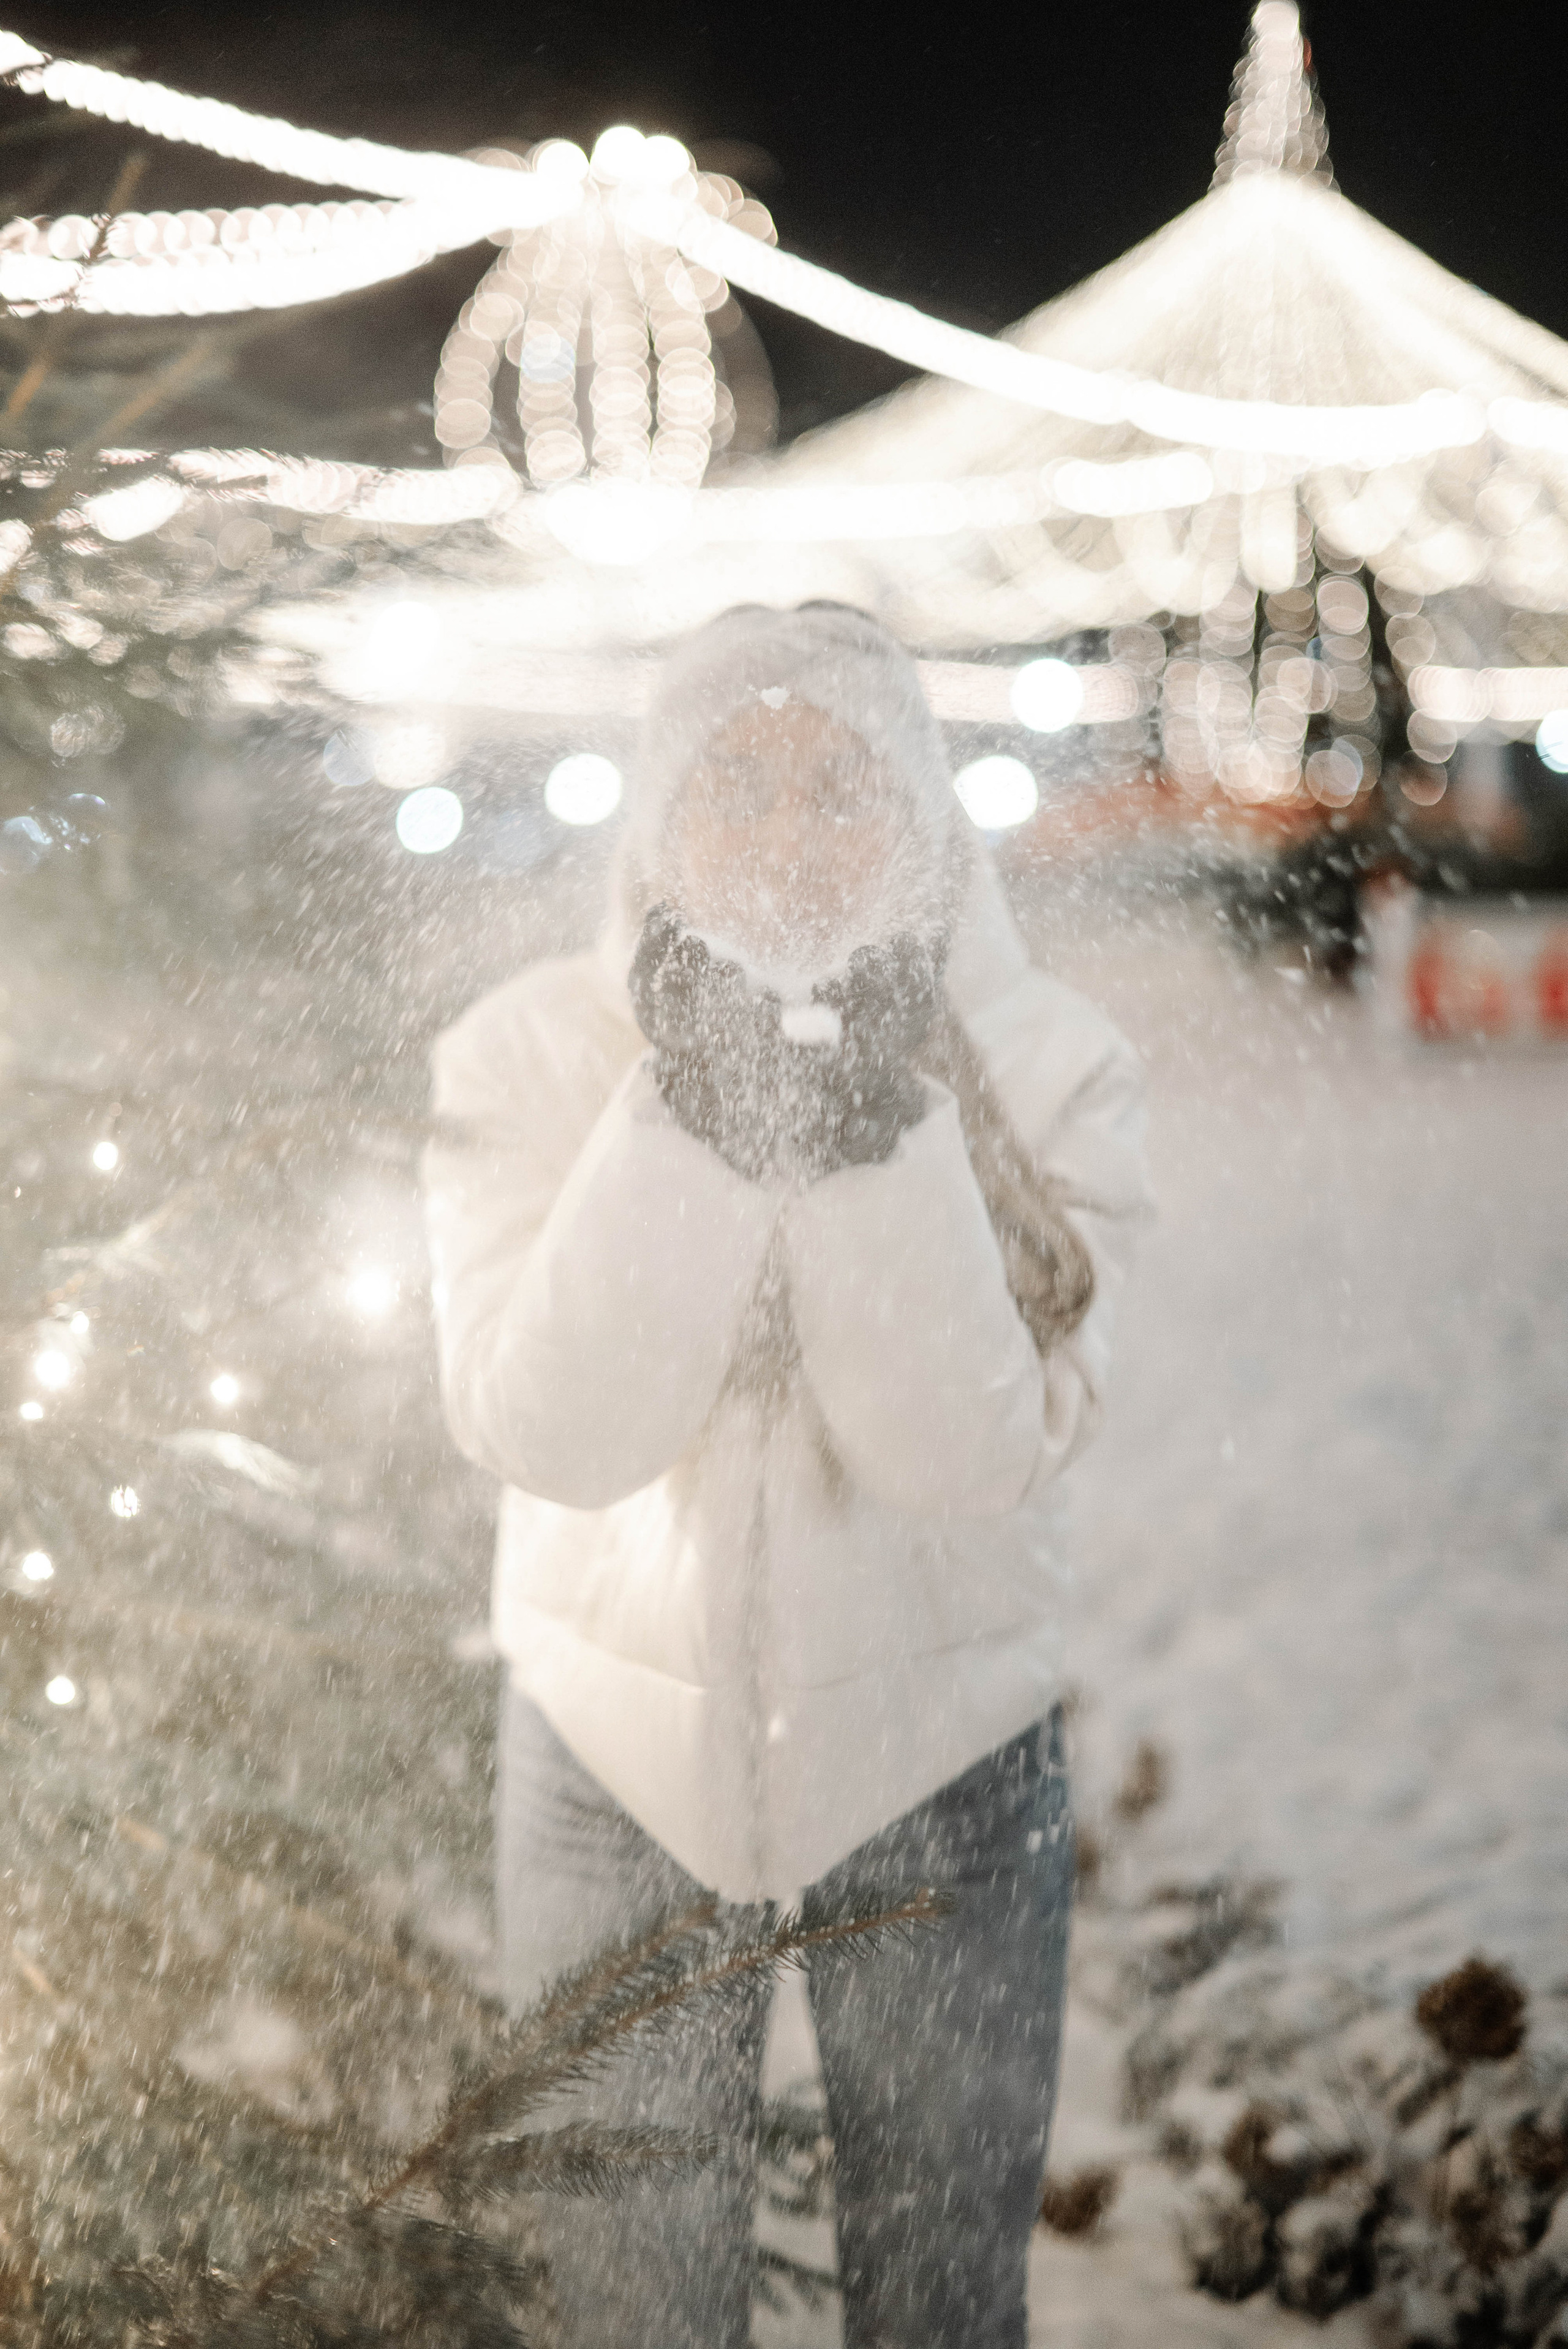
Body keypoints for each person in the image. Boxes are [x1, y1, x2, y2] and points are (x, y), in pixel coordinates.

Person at [421, 603, 1150, 2347]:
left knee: (942, 2299)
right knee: (631, 2304)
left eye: (844, 787)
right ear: (661, 821)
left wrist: (871, 1134)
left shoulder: (1050, 1065)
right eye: (733, 782)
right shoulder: (525, 1056)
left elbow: (966, 1458)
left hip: (952, 1753)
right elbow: (556, 1433)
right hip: (614, 1762)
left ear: (920, 818)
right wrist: (686, 1115)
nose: (787, 833)